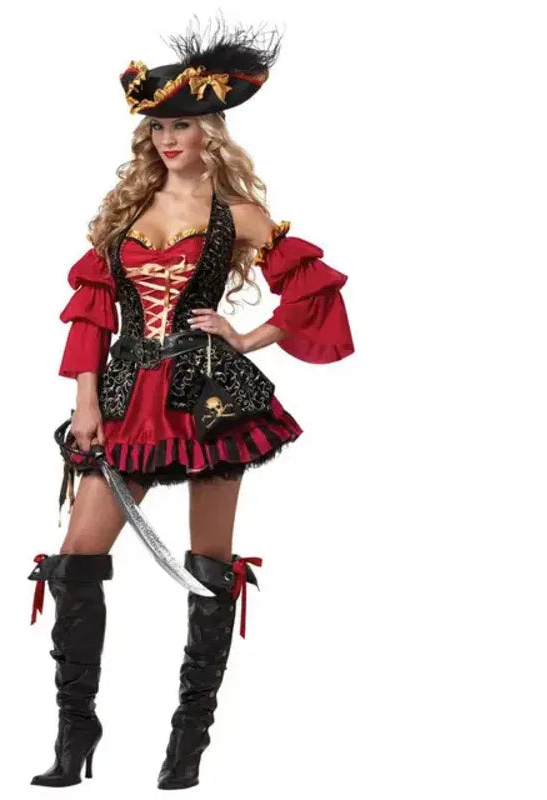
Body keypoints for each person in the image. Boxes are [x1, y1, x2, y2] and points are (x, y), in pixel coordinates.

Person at [27, 14, 354, 790]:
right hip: (124, 396)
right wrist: (86, 401)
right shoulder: (124, 214)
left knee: (209, 568)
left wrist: (246, 336)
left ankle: (188, 741)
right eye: (158, 127)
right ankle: (76, 732)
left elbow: (314, 293)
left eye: (180, 125)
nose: (167, 138)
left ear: (210, 130)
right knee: (75, 561)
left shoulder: (240, 216)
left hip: (210, 397)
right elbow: (92, 314)